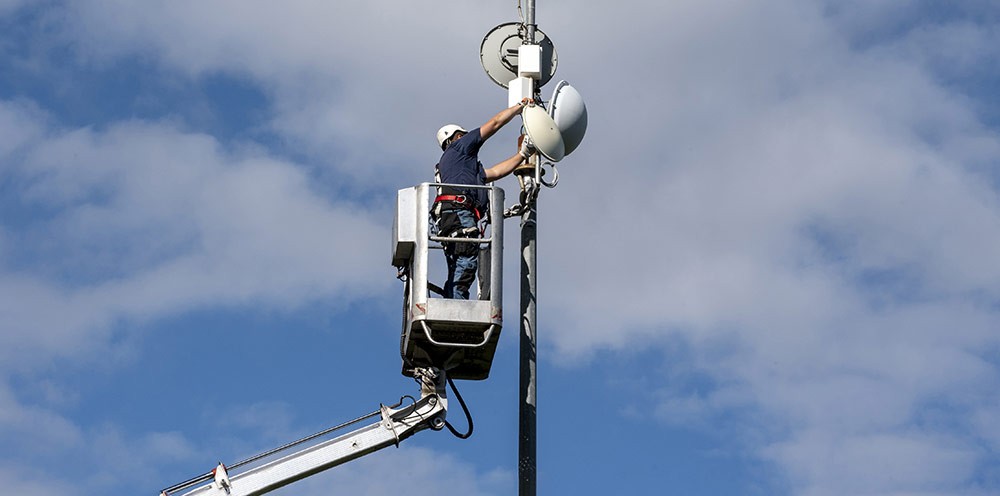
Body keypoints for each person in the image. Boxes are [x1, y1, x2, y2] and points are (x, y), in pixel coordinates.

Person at [435, 98, 535, 299]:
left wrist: (522, 155)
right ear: (455, 138)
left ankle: (455, 300)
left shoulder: (462, 168)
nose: (466, 138)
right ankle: (457, 306)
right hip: (458, 211)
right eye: (462, 135)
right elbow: (494, 124)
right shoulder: (459, 149)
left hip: (452, 213)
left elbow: (495, 172)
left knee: (460, 263)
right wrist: (519, 108)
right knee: (465, 261)